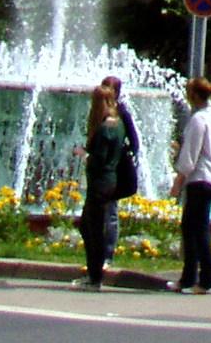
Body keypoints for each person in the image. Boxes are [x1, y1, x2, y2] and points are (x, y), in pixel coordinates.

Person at [169, 75, 211, 295]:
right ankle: (191, 278)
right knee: (193, 227)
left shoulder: (198, 120)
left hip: (200, 179)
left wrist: (178, 181)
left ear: (193, 95)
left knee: (196, 229)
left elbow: (190, 156)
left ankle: (204, 280)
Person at [76, 84, 125, 290]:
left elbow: (99, 159)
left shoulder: (106, 128)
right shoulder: (118, 124)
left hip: (100, 183)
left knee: (92, 229)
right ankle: (94, 273)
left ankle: (94, 277)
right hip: (109, 181)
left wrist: (83, 154)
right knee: (89, 226)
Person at [99, 73, 140, 260]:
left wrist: (122, 155)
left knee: (111, 211)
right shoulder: (98, 111)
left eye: (109, 88)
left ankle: (108, 253)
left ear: (116, 92)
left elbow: (134, 141)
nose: (105, 92)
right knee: (98, 212)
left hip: (114, 170)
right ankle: (97, 252)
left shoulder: (122, 113)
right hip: (101, 169)